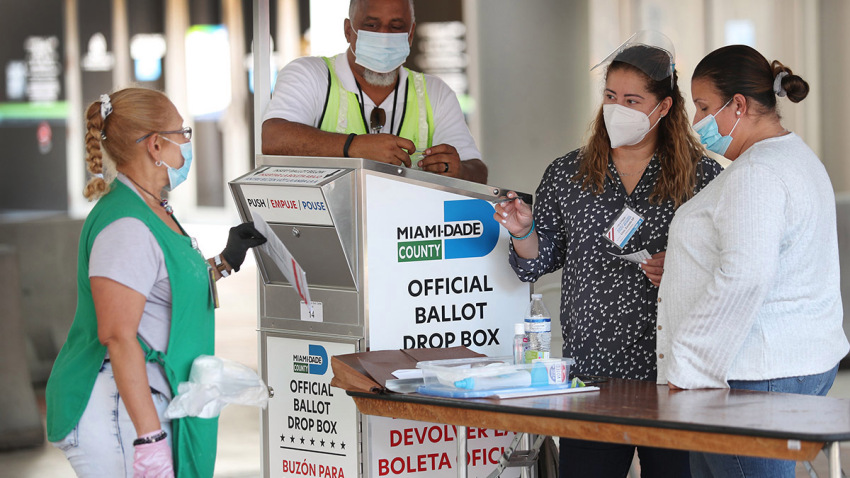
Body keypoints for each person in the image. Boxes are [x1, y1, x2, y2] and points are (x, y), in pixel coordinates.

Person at [494, 31, 722, 478]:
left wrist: (679, 269)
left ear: (664, 107)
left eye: (633, 100)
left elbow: (726, 266)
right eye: (611, 96)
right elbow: (538, 262)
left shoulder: (702, 176)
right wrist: (523, 230)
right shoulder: (569, 172)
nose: (618, 109)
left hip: (671, 372)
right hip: (592, 372)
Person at [45, 88, 267, 478]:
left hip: (136, 403)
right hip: (119, 410)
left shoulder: (150, 206)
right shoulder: (126, 225)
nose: (187, 142)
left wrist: (224, 262)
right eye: (183, 133)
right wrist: (149, 441)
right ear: (156, 145)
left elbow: (161, 285)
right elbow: (118, 335)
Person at [657, 44, 850, 478]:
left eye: (704, 107)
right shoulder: (793, 156)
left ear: (738, 105)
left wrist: (689, 365)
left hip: (755, 374)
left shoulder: (756, 173)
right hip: (791, 363)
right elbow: (774, 255)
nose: (696, 122)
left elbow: (745, 275)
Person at [261, 0, 488, 184]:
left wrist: (458, 171)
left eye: (396, 26)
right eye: (371, 25)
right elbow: (273, 138)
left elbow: (478, 171)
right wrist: (354, 146)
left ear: (410, 34)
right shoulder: (310, 75)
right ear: (348, 31)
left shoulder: (435, 92)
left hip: (406, 234)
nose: (384, 36)